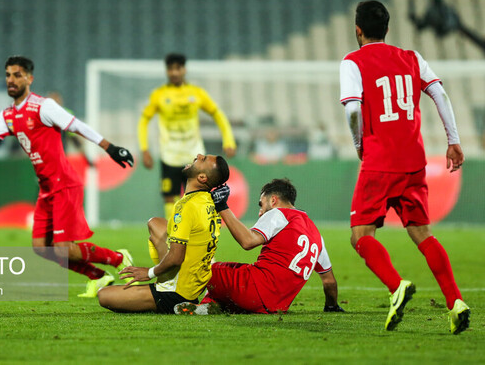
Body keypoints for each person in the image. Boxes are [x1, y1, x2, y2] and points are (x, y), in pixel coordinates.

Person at [0, 56, 135, 298]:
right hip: (46, 189)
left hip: (64, 184)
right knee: (41, 249)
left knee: (63, 248)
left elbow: (76, 126)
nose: (11, 80)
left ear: (29, 78)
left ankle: (118, 258)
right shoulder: (8, 116)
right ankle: (98, 276)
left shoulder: (44, 106)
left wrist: (109, 147)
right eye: (8, 75)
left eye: (17, 75)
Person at [339, 1, 470, 334]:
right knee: (422, 234)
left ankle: (396, 286)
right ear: (387, 28)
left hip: (379, 162)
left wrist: (359, 144)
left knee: (360, 235)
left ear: (358, 30)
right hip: (414, 161)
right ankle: (455, 301)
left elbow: (353, 109)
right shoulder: (411, 57)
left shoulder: (352, 61)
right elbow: (439, 94)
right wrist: (453, 140)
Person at [174, 179, 344, 315]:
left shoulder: (279, 214)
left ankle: (170, 298)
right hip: (275, 307)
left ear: (273, 200)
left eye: (261, 205)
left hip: (253, 290)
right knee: (232, 269)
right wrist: (331, 307)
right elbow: (329, 282)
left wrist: (222, 206)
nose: (260, 212)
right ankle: (208, 307)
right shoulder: (317, 236)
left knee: (206, 269)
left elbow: (248, 242)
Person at [97, 154, 230, 313]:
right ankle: (169, 279)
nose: (198, 155)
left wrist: (149, 272)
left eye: (202, 160)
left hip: (177, 293)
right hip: (195, 282)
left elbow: (176, 258)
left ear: (202, 177)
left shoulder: (186, 206)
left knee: (103, 296)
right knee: (155, 223)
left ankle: (176, 300)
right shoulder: (209, 201)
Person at [138, 53, 237, 220]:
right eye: (170, 69)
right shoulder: (159, 95)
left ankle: (200, 232)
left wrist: (229, 140)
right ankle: (173, 233)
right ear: (167, 71)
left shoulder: (196, 93)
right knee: (170, 197)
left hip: (194, 157)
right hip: (170, 156)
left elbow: (217, 114)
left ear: (184, 69)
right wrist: (144, 149)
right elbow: (144, 121)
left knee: (198, 196)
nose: (174, 73)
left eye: (178, 68)